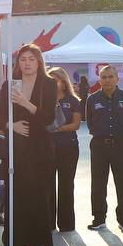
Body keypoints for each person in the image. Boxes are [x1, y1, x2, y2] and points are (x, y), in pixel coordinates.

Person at [6, 44, 58, 246]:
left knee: (38, 200)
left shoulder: (49, 84)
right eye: (22, 59)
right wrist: (11, 125)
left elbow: (48, 118)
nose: (26, 63)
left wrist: (25, 103)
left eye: (31, 59)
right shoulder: (10, 84)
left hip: (40, 150)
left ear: (39, 62)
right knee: (18, 200)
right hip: (17, 149)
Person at [85, 64, 123, 233]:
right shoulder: (92, 99)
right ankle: (99, 219)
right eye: (104, 77)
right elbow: (90, 122)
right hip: (99, 146)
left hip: (120, 145)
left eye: (110, 76)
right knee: (98, 184)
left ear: (117, 79)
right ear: (99, 80)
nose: (107, 80)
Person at [48, 67, 83, 233]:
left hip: (68, 148)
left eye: (56, 80)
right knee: (48, 185)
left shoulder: (73, 100)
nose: (53, 83)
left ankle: (67, 224)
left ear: (63, 82)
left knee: (66, 185)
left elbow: (76, 124)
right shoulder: (44, 100)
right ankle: (48, 223)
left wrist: (58, 129)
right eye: (50, 80)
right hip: (48, 147)